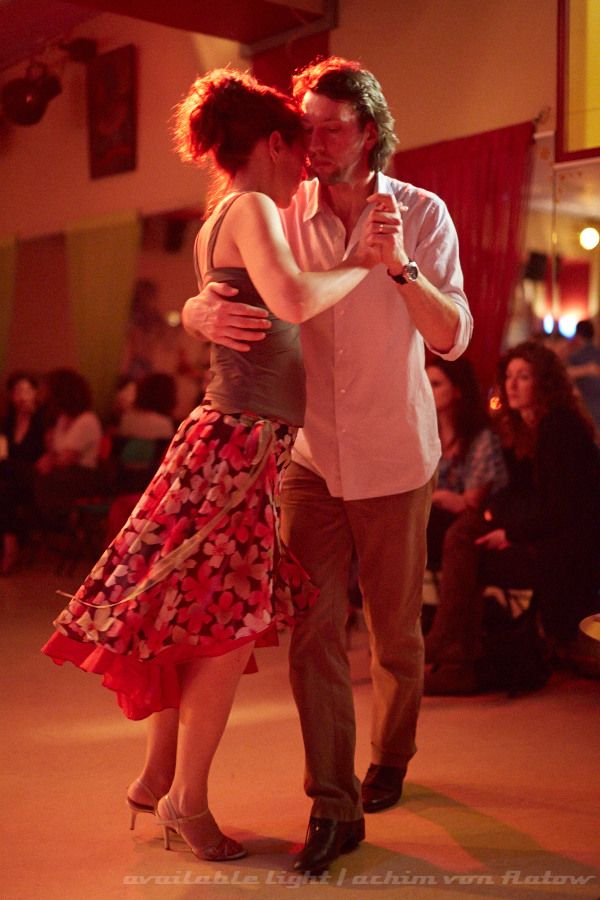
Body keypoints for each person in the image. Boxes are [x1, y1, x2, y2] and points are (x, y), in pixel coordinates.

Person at [42, 69, 378, 864]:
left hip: (230, 440)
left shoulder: (222, 214)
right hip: (239, 444)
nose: (307, 164)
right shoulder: (253, 207)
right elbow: (292, 300)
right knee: (224, 632)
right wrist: (362, 262)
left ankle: (159, 777)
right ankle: (185, 802)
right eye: (300, 146)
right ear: (274, 144)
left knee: (194, 619)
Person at [181, 56, 472, 874]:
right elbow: (222, 272)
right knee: (311, 636)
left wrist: (399, 266)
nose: (311, 142)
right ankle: (332, 804)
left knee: (395, 635)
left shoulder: (423, 212)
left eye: (331, 128)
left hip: (395, 454)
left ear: (369, 132)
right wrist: (195, 308)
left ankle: (393, 754)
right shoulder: (279, 210)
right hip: (308, 455)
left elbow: (453, 337)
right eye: (304, 127)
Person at [424, 340, 600, 695]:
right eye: (509, 377)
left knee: (465, 544)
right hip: (541, 531)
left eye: (524, 377)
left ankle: (451, 655)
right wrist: (500, 520)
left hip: (568, 547)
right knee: (462, 534)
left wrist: (510, 533)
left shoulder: (559, 427)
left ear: (544, 382)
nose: (513, 385)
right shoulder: (520, 428)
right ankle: (453, 655)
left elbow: (564, 509)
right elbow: (517, 495)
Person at [425, 357, 506, 574]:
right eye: (424, 383)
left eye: (436, 384)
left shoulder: (480, 437)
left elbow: (471, 502)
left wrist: (433, 497)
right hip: (431, 516)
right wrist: (439, 497)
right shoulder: (426, 433)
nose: (427, 390)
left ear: (457, 390)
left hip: (466, 523)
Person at [34, 368, 103, 528]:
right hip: (63, 472)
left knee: (41, 481)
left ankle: (54, 523)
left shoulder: (87, 420)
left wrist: (49, 462)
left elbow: (67, 459)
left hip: (81, 475)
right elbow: (54, 453)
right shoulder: (62, 418)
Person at [0, 371, 46, 573]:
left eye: (27, 390)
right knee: (4, 487)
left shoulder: (43, 420)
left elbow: (45, 456)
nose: (22, 396)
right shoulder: (7, 421)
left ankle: (10, 546)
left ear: (35, 393)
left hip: (35, 478)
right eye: (17, 391)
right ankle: (10, 542)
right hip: (9, 479)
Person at [567, 319, 600, 432]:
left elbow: (564, 376)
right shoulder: (597, 354)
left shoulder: (576, 357)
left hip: (589, 411)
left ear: (578, 336)